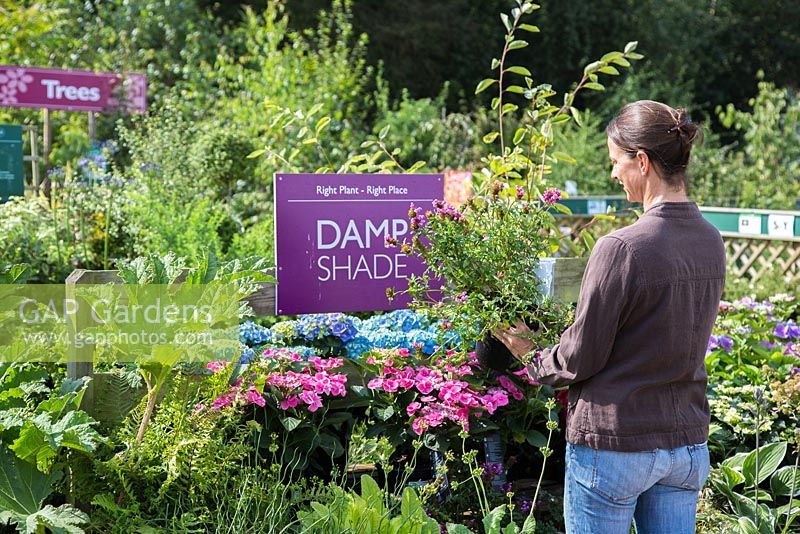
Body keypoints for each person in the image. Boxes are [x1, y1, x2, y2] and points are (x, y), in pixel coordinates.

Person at [495, 100, 726, 534]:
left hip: (616, 443)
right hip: (685, 444)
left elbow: (581, 357)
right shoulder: (711, 240)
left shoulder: (620, 247)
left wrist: (530, 353)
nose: (613, 173)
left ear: (641, 161)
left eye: (616, 161)